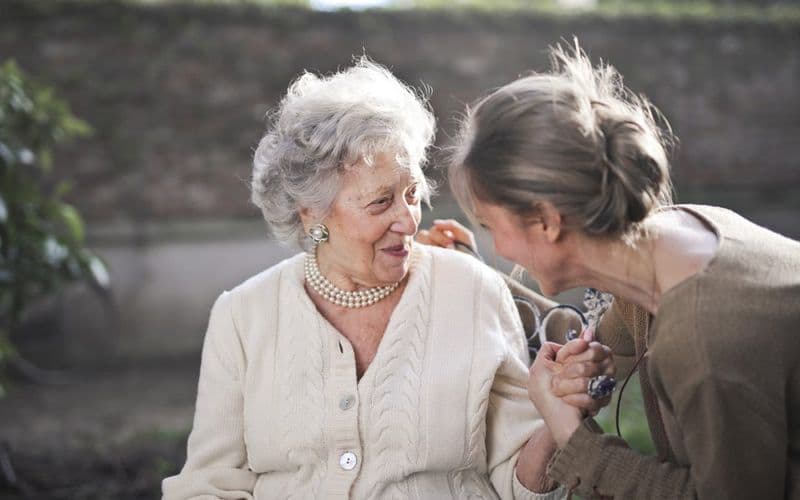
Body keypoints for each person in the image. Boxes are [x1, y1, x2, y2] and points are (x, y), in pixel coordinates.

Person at [162, 58, 611, 500]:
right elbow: (209, 484)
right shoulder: (243, 315)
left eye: (412, 193)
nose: (409, 220)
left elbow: (516, 482)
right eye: (380, 202)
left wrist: (557, 417)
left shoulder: (473, 291)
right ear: (311, 213)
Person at [446, 41, 800, 499]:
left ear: (547, 222)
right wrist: (579, 371)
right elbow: (609, 345)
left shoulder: (702, 339)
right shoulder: (675, 237)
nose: (498, 248)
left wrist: (574, 438)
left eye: (491, 226)